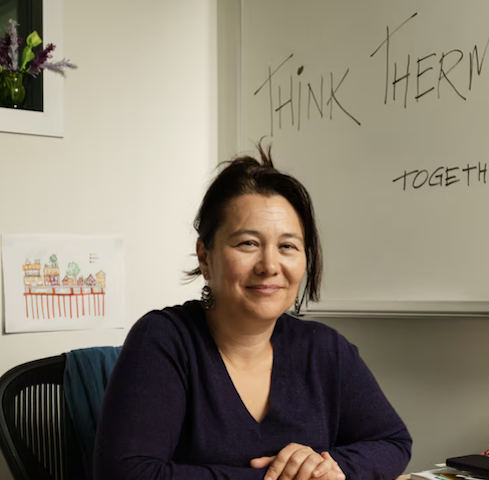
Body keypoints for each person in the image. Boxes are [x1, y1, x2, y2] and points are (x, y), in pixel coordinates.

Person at [93, 144, 412, 480]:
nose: (270, 265)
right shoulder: (163, 339)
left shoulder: (325, 349)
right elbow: (125, 473)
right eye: (248, 243)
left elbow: (392, 442)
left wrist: (327, 469)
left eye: (287, 246)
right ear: (205, 257)